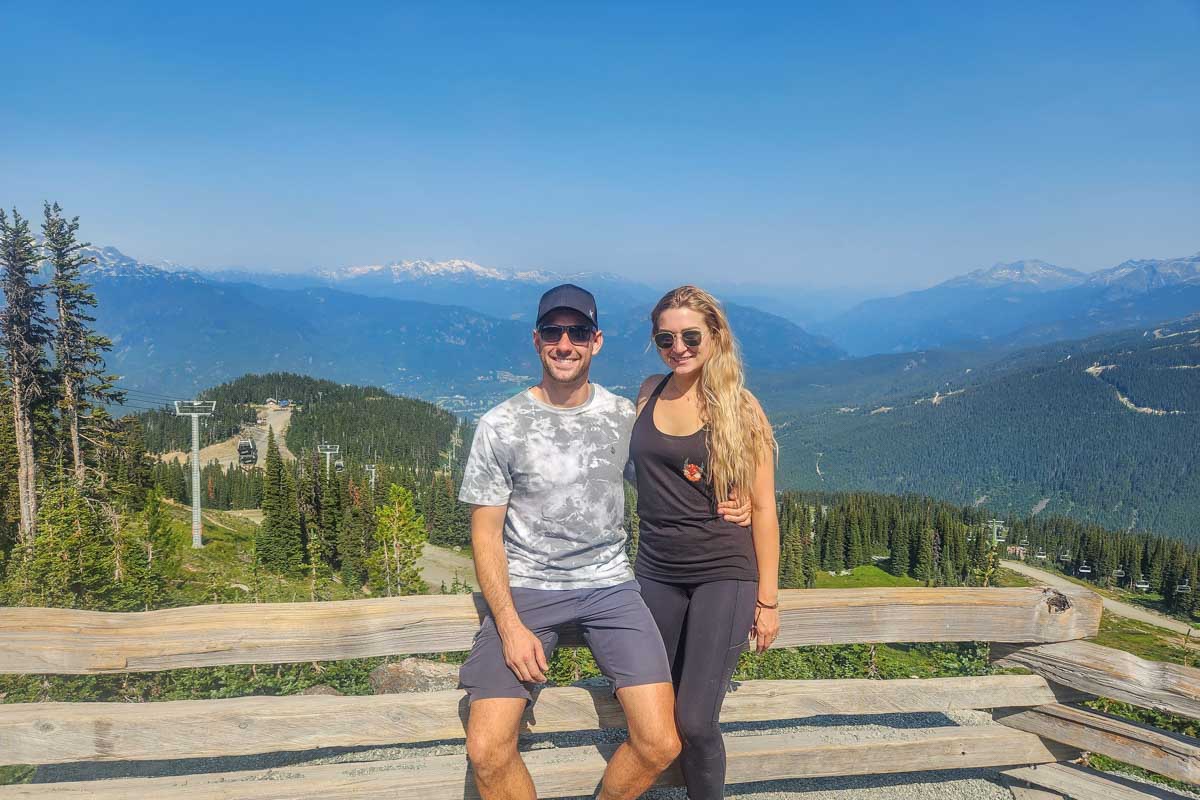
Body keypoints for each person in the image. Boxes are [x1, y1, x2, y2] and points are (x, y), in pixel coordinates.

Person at [457, 283, 750, 800]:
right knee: (486, 748)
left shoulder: (623, 416)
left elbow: (671, 475)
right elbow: (485, 536)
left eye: (577, 333)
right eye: (553, 331)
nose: (564, 343)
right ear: (536, 339)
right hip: (526, 591)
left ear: (596, 341)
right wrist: (508, 625)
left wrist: (734, 498)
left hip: (611, 587)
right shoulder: (499, 426)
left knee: (661, 742)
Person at [631, 284, 782, 800]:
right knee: (652, 705)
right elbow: (645, 472)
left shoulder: (741, 407)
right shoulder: (648, 392)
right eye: (665, 338)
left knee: (695, 719)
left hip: (724, 569)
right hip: (655, 569)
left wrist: (768, 600)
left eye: (691, 335)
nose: (679, 347)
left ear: (715, 335)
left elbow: (763, 508)